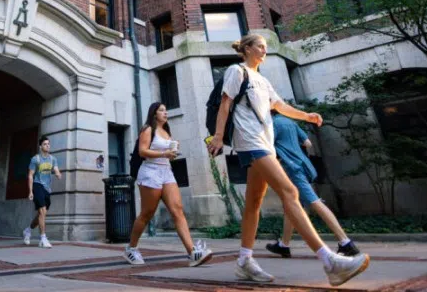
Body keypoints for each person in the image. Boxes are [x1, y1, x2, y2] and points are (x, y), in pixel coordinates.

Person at [207, 34, 369, 287]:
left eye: (265, 47)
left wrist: (307, 116)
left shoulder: (262, 79)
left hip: (265, 142)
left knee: (253, 203)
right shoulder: (236, 71)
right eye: (260, 46)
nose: (264, 50)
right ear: (247, 48)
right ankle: (330, 262)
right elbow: (225, 104)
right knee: (290, 191)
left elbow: (281, 107)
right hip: (249, 141)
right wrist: (217, 136)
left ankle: (244, 261)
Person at [125, 102, 213, 268]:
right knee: (147, 213)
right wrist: (164, 152)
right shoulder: (147, 129)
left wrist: (172, 151)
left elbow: (166, 153)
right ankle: (131, 248)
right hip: (150, 172)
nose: (165, 113)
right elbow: (142, 151)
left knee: (177, 210)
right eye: (161, 110)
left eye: (166, 110)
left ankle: (193, 252)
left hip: (166, 171)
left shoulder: (166, 131)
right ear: (154, 113)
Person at [265, 110, 360, 259]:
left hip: (292, 168)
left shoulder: (272, 124)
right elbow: (307, 143)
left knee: (314, 202)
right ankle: (284, 245)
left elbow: (267, 147)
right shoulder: (290, 122)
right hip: (304, 165)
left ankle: (345, 242)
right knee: (291, 205)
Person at [23, 136, 62, 248]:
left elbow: (55, 169)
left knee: (42, 213)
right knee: (43, 210)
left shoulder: (53, 159)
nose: (47, 146)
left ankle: (28, 230)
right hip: (37, 185)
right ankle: (43, 238)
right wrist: (30, 191)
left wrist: (58, 173)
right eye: (45, 144)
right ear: (40, 146)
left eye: (48, 144)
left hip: (47, 189)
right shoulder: (36, 159)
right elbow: (30, 175)